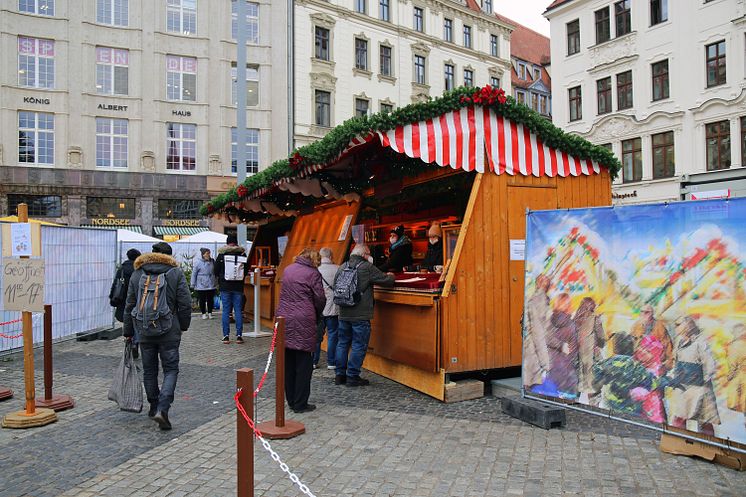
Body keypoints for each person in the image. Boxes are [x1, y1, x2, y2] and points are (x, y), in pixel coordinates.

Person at [123, 242, 191, 430]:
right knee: (170, 370)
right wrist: (183, 326)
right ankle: (163, 408)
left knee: (149, 370)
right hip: (169, 330)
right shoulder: (175, 273)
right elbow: (185, 302)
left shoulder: (138, 273)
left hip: (144, 330)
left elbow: (130, 305)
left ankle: (153, 406)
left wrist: (128, 331)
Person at [335, 244, 395, 387]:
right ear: (363, 255)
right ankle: (352, 376)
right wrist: (392, 275)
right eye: (368, 254)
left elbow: (336, 285)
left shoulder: (342, 266)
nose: (370, 256)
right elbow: (386, 281)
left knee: (342, 343)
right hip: (360, 314)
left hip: (343, 312)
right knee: (358, 345)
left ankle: (339, 375)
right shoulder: (366, 267)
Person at [275, 248, 326, 413]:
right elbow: (320, 299)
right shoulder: (313, 274)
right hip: (304, 318)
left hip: (284, 318)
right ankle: (300, 403)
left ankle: (290, 399)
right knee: (304, 363)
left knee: (288, 361)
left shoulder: (288, 269)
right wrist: (317, 314)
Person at [669, 316, 720, 436]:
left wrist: (703, 380)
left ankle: (707, 447)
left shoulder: (700, 342)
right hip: (683, 385)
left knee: (704, 421)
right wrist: (674, 375)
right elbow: (676, 360)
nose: (676, 327)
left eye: (678, 324)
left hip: (699, 387)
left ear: (687, 326)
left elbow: (710, 363)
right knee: (679, 417)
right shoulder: (679, 341)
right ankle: (679, 443)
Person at [214, 234, 248, 344]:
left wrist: (221, 277)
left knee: (226, 311)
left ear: (227, 242)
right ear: (236, 242)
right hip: (238, 287)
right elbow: (245, 270)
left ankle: (226, 336)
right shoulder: (242, 253)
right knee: (238, 310)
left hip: (225, 286)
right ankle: (239, 336)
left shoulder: (222, 254)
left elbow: (215, 270)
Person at [574, 297, 605, 406]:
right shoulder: (595, 318)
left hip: (578, 358)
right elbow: (601, 339)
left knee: (579, 385)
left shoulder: (575, 319)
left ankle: (575, 408)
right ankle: (594, 409)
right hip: (591, 356)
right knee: (593, 387)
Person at [547, 293, 578, 399]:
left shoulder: (549, 322)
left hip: (551, 371)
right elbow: (574, 353)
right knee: (569, 411)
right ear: (569, 306)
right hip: (567, 377)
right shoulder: (571, 326)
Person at [523, 274, 552, 392]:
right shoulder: (540, 301)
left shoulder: (534, 298)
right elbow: (538, 333)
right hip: (534, 354)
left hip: (531, 350)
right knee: (531, 386)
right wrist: (545, 362)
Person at [314, 247, 339, 370]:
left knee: (317, 336)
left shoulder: (315, 270)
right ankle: (331, 362)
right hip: (333, 308)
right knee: (333, 335)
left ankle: (314, 361)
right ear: (331, 256)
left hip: (319, 309)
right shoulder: (338, 269)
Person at [631, 304, 673, 375]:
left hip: (656, 363)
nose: (644, 314)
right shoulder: (636, 326)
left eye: (647, 312)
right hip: (640, 363)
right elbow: (631, 343)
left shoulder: (660, 327)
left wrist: (667, 364)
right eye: (642, 311)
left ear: (652, 313)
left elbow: (668, 346)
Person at [110, 248, 141, 323]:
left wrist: (112, 297)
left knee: (126, 320)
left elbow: (116, 284)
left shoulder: (122, 269)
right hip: (137, 298)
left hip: (123, 297)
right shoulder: (140, 269)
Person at [191, 248, 218, 320]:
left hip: (211, 282)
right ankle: (203, 313)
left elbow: (215, 272)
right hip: (201, 283)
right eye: (207, 253)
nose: (208, 255)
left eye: (209, 253)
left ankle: (210, 313)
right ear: (203, 254)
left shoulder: (212, 261)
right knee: (202, 299)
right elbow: (194, 274)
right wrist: (192, 284)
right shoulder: (198, 262)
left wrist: (216, 282)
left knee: (210, 299)